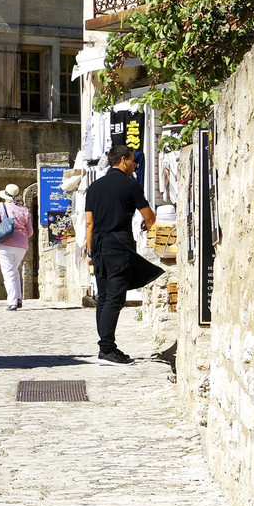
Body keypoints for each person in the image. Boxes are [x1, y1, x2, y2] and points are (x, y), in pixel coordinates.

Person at [84, 144, 161, 364]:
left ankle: (105, 346)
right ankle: (107, 348)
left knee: (104, 297)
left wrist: (91, 251)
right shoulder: (130, 184)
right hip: (118, 246)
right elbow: (150, 216)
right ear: (124, 160)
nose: (136, 165)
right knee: (115, 299)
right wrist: (148, 224)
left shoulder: (95, 187)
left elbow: (89, 223)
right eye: (133, 160)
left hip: (98, 245)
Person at [0, 184, 33, 311]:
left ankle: (12, 302)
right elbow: (30, 233)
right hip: (22, 245)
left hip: (6, 243)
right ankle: (18, 298)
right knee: (14, 271)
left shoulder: (1, 206)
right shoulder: (25, 210)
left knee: (8, 273)